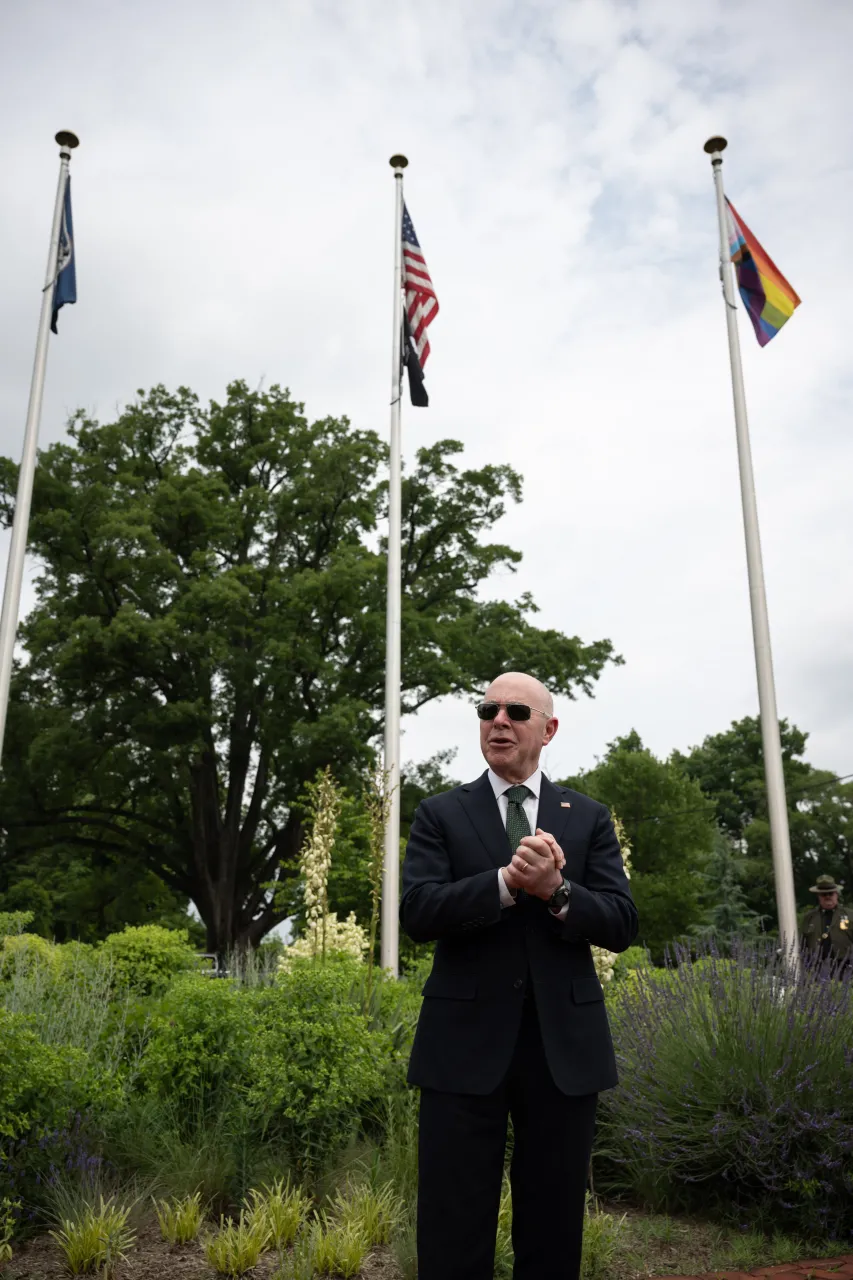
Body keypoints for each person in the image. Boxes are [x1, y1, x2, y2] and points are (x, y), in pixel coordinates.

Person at [400, 671, 638, 1280]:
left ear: (548, 729)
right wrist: (505, 885)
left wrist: (558, 891)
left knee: (554, 1227)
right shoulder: (440, 813)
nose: (498, 720)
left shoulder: (585, 817)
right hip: (462, 1049)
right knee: (453, 1229)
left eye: (514, 712)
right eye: (487, 710)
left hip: (563, 1051)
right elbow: (418, 912)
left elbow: (621, 922)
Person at [801, 874, 852, 970]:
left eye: (831, 893)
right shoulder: (809, 918)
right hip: (817, 969)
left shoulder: (850, 915)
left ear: (836, 894)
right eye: (824, 894)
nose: (827, 897)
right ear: (818, 896)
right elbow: (802, 945)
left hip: (846, 968)